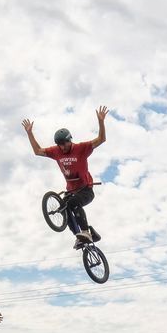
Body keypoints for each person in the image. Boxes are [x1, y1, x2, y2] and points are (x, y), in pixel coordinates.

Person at [22, 106, 109, 248]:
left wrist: (101, 122)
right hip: (71, 191)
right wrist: (30, 133)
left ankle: (86, 231)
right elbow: (38, 151)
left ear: (70, 140)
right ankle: (79, 237)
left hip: (86, 190)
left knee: (74, 203)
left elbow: (101, 139)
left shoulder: (81, 148)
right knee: (64, 209)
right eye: (59, 145)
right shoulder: (56, 151)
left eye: (64, 144)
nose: (62, 147)